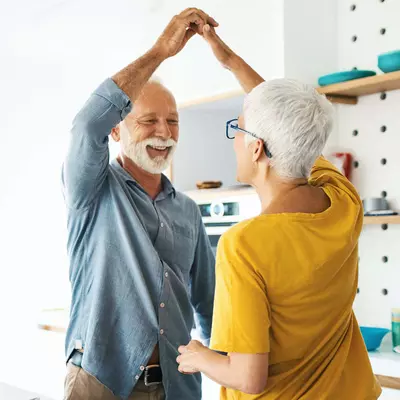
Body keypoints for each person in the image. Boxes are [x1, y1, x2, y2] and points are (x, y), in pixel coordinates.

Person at [177, 24, 381, 400]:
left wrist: (199, 356)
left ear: (256, 148)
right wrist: (233, 63)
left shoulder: (245, 245)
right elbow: (294, 128)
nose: (234, 141)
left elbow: (248, 376)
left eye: (236, 130)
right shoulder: (343, 200)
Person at [62, 8, 218, 400]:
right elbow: (86, 125)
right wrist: (161, 51)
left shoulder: (188, 210)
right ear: (117, 129)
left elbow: (209, 302)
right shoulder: (92, 190)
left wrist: (234, 365)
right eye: (148, 121)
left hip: (178, 385)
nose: (163, 132)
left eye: (173, 121)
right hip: (101, 381)